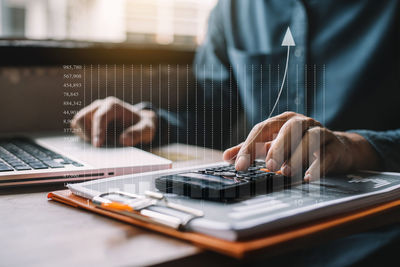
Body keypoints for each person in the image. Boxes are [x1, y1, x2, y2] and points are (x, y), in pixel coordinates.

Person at [71, 1, 400, 264]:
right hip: (251, 218)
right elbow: (211, 116)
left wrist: (357, 146)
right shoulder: (232, 9)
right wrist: (151, 122)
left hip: (372, 227)